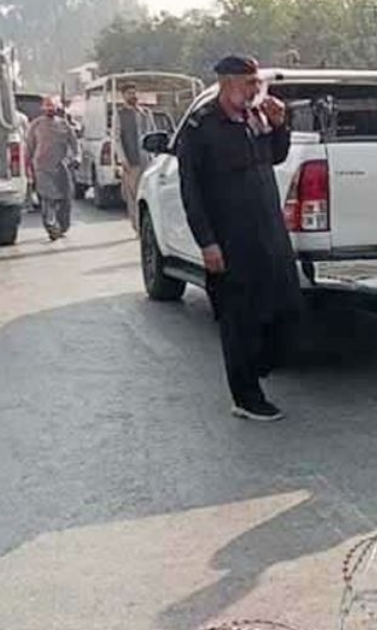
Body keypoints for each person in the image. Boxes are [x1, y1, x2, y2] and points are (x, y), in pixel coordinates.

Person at [177, 55, 302, 422]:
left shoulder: (255, 117)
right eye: (249, 83)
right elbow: (191, 190)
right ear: (227, 82)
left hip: (269, 232)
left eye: (256, 83)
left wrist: (280, 126)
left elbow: (275, 156)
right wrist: (207, 242)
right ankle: (246, 397)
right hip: (231, 239)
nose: (255, 90)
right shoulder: (201, 127)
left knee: (286, 309)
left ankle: (260, 366)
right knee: (240, 319)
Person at [25, 96, 79, 241]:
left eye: (53, 106)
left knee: (65, 198)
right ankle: (51, 227)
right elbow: (29, 147)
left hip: (62, 167)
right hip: (42, 167)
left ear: (57, 107)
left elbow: (74, 144)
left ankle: (62, 226)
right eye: (47, 106)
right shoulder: (36, 125)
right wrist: (27, 167)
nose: (50, 109)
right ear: (43, 108)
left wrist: (76, 158)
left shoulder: (64, 124)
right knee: (48, 198)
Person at [118, 82, 155, 235]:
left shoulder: (146, 113)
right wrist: (123, 159)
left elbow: (153, 133)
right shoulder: (120, 115)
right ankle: (138, 227)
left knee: (148, 194)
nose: (132, 96)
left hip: (147, 159)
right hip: (131, 161)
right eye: (129, 93)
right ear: (123, 96)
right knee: (133, 195)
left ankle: (148, 226)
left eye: (134, 93)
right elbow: (117, 138)